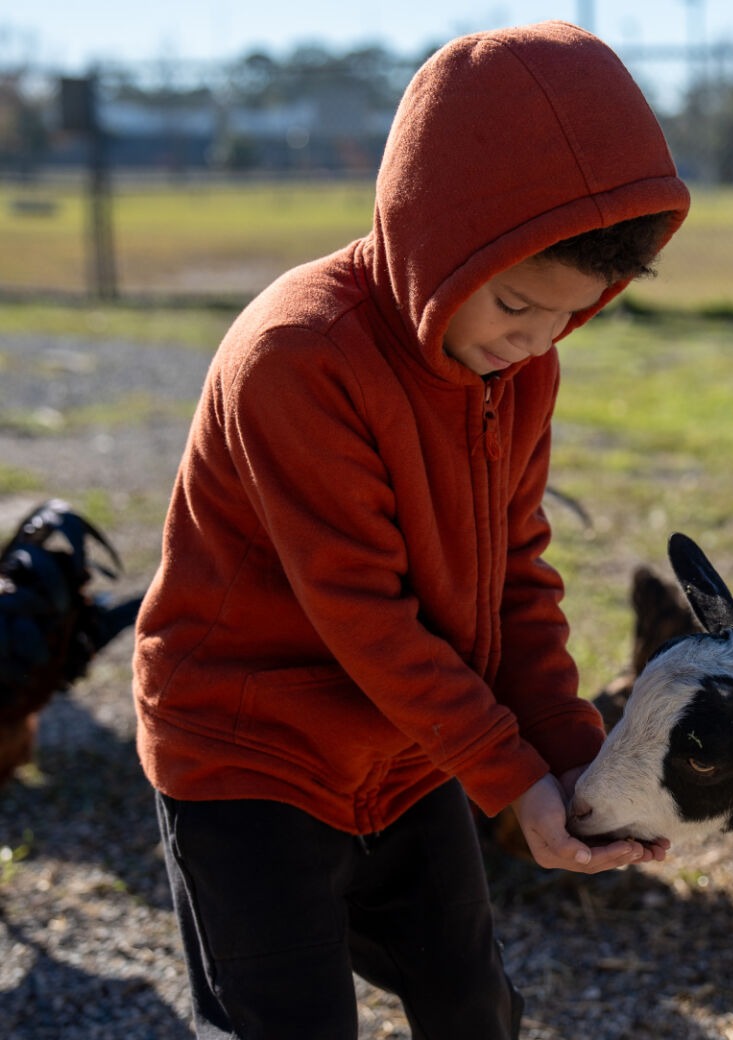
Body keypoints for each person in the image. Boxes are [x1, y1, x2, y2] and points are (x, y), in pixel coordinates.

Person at [132, 22, 689, 1039]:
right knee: (286, 1021)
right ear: (436, 235)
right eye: (517, 303)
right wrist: (509, 773)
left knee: (473, 1005)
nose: (534, 341)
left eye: (568, 317)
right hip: (250, 750)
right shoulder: (299, 357)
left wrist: (571, 758)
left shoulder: (517, 367)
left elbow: (518, 570)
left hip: (405, 744)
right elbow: (366, 616)